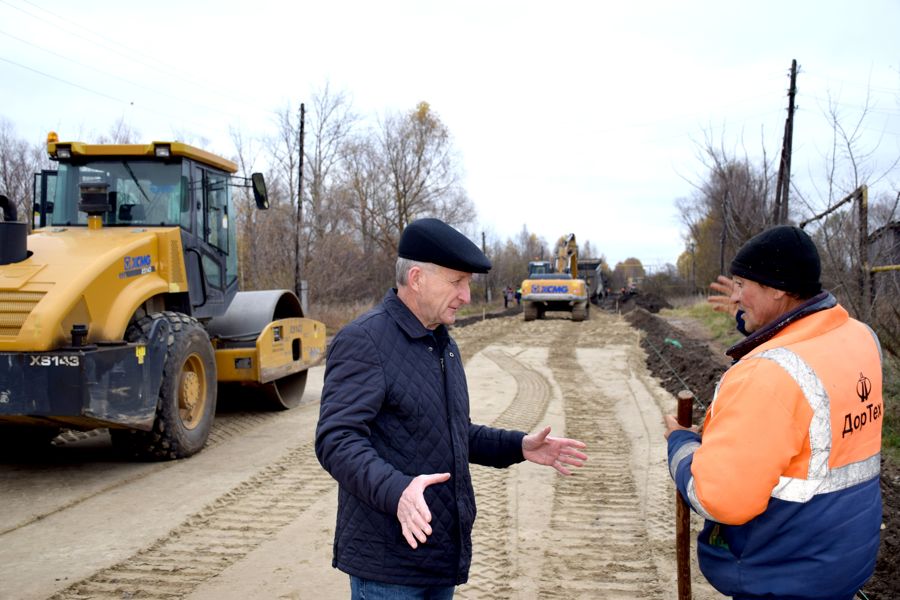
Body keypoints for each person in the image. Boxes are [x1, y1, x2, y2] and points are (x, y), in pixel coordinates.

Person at [315, 217, 587, 599]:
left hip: (439, 557)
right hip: (387, 566)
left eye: (468, 285)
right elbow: (335, 440)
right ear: (416, 278)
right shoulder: (365, 341)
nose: (467, 297)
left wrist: (519, 446)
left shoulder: (441, 342)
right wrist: (398, 491)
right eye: (457, 283)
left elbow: (453, 431)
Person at [664, 225, 883, 600]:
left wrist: (681, 445)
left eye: (741, 284)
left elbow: (717, 498)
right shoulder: (861, 337)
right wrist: (750, 313)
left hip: (784, 573)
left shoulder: (768, 375)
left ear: (779, 288)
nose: (734, 295)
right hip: (842, 560)